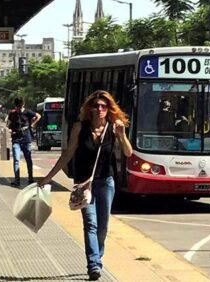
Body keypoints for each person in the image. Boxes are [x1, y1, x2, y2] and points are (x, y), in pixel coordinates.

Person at [38, 91, 134, 281]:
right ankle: (94, 265)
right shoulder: (79, 128)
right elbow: (66, 155)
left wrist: (122, 136)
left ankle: (97, 256)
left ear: (108, 110)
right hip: (84, 184)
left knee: (102, 228)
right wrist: (47, 178)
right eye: (96, 106)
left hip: (106, 183)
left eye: (103, 107)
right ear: (90, 108)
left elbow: (128, 153)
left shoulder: (113, 128)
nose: (99, 109)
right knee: (90, 223)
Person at [8, 98, 40, 186]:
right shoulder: (12, 113)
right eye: (17, 106)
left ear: (23, 104)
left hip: (26, 139)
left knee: (28, 159)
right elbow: (9, 124)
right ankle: (17, 180)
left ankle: (30, 178)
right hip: (16, 139)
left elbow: (38, 116)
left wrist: (32, 124)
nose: (19, 108)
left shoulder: (27, 112)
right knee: (16, 160)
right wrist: (10, 129)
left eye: (20, 106)